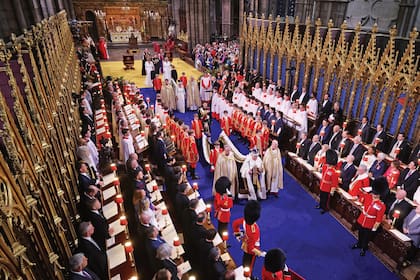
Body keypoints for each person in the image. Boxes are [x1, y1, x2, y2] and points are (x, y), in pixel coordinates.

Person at [233, 200, 266, 277]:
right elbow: (251, 248)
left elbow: (235, 224)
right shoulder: (254, 231)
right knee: (249, 267)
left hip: (247, 244)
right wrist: (260, 253)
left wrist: (239, 235)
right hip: (252, 250)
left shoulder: (244, 221)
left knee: (245, 261)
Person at [352, 190, 386, 256]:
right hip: (362, 219)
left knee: (366, 237)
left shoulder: (381, 205)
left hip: (370, 223)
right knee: (360, 233)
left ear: (379, 195)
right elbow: (361, 196)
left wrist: (375, 227)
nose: (374, 195)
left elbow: (379, 218)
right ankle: (359, 244)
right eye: (374, 193)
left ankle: (364, 248)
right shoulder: (368, 196)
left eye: (376, 194)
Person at [316, 150, 338, 214]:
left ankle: (325, 208)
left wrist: (332, 190)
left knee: (326, 200)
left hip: (327, 188)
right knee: (322, 197)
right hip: (322, 185)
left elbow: (334, 183)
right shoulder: (325, 166)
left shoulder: (334, 172)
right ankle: (321, 205)